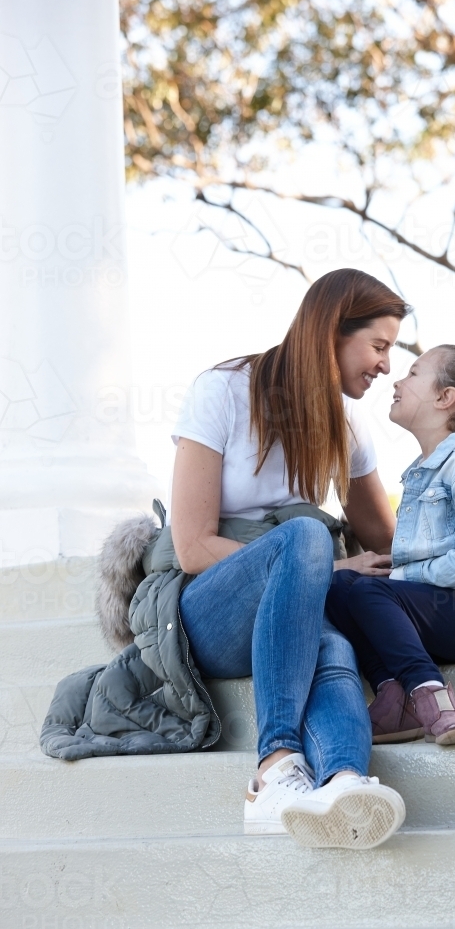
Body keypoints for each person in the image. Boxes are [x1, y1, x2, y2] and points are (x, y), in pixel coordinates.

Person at [170, 268, 407, 849]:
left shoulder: (347, 423)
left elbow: (386, 540)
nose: (385, 366)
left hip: (292, 614)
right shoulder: (222, 390)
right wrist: (325, 566)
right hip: (209, 612)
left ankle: (344, 784)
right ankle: (274, 766)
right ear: (332, 332)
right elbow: (193, 547)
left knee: (331, 644)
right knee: (306, 536)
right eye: (378, 346)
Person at [326, 343, 455, 747]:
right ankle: (393, 694)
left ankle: (432, 696)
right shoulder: (426, 471)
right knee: (339, 587)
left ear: (445, 398)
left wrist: (400, 575)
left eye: (414, 373)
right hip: (447, 608)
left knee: (370, 590)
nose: (397, 381)